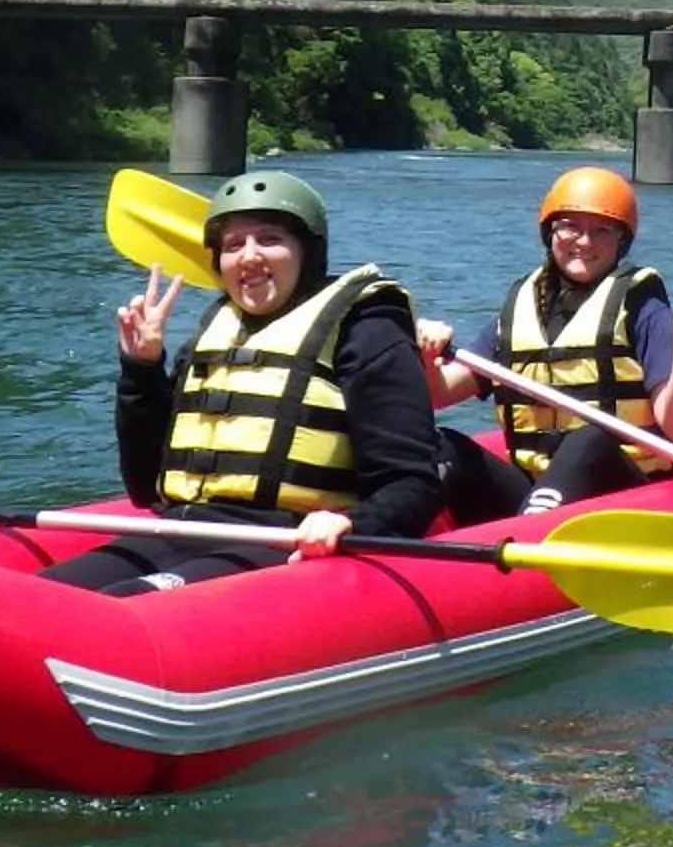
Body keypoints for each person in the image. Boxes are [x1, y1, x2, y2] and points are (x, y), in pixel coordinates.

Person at [42, 167, 443, 594]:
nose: (249, 256)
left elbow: (412, 482)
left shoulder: (367, 328)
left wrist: (354, 523)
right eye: (234, 245)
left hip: (284, 539)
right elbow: (145, 487)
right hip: (181, 530)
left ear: (307, 252)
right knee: (42, 597)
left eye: (269, 239)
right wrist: (142, 369)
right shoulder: (215, 330)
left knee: (124, 600)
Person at [420, 164, 673, 525]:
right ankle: (395, 535)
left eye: (601, 230)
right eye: (570, 226)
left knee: (590, 438)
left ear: (621, 241)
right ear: (549, 232)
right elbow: (439, 394)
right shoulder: (522, 306)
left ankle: (528, 534)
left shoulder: (641, 305)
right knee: (441, 445)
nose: (584, 241)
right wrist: (426, 355)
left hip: (624, 494)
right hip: (537, 490)